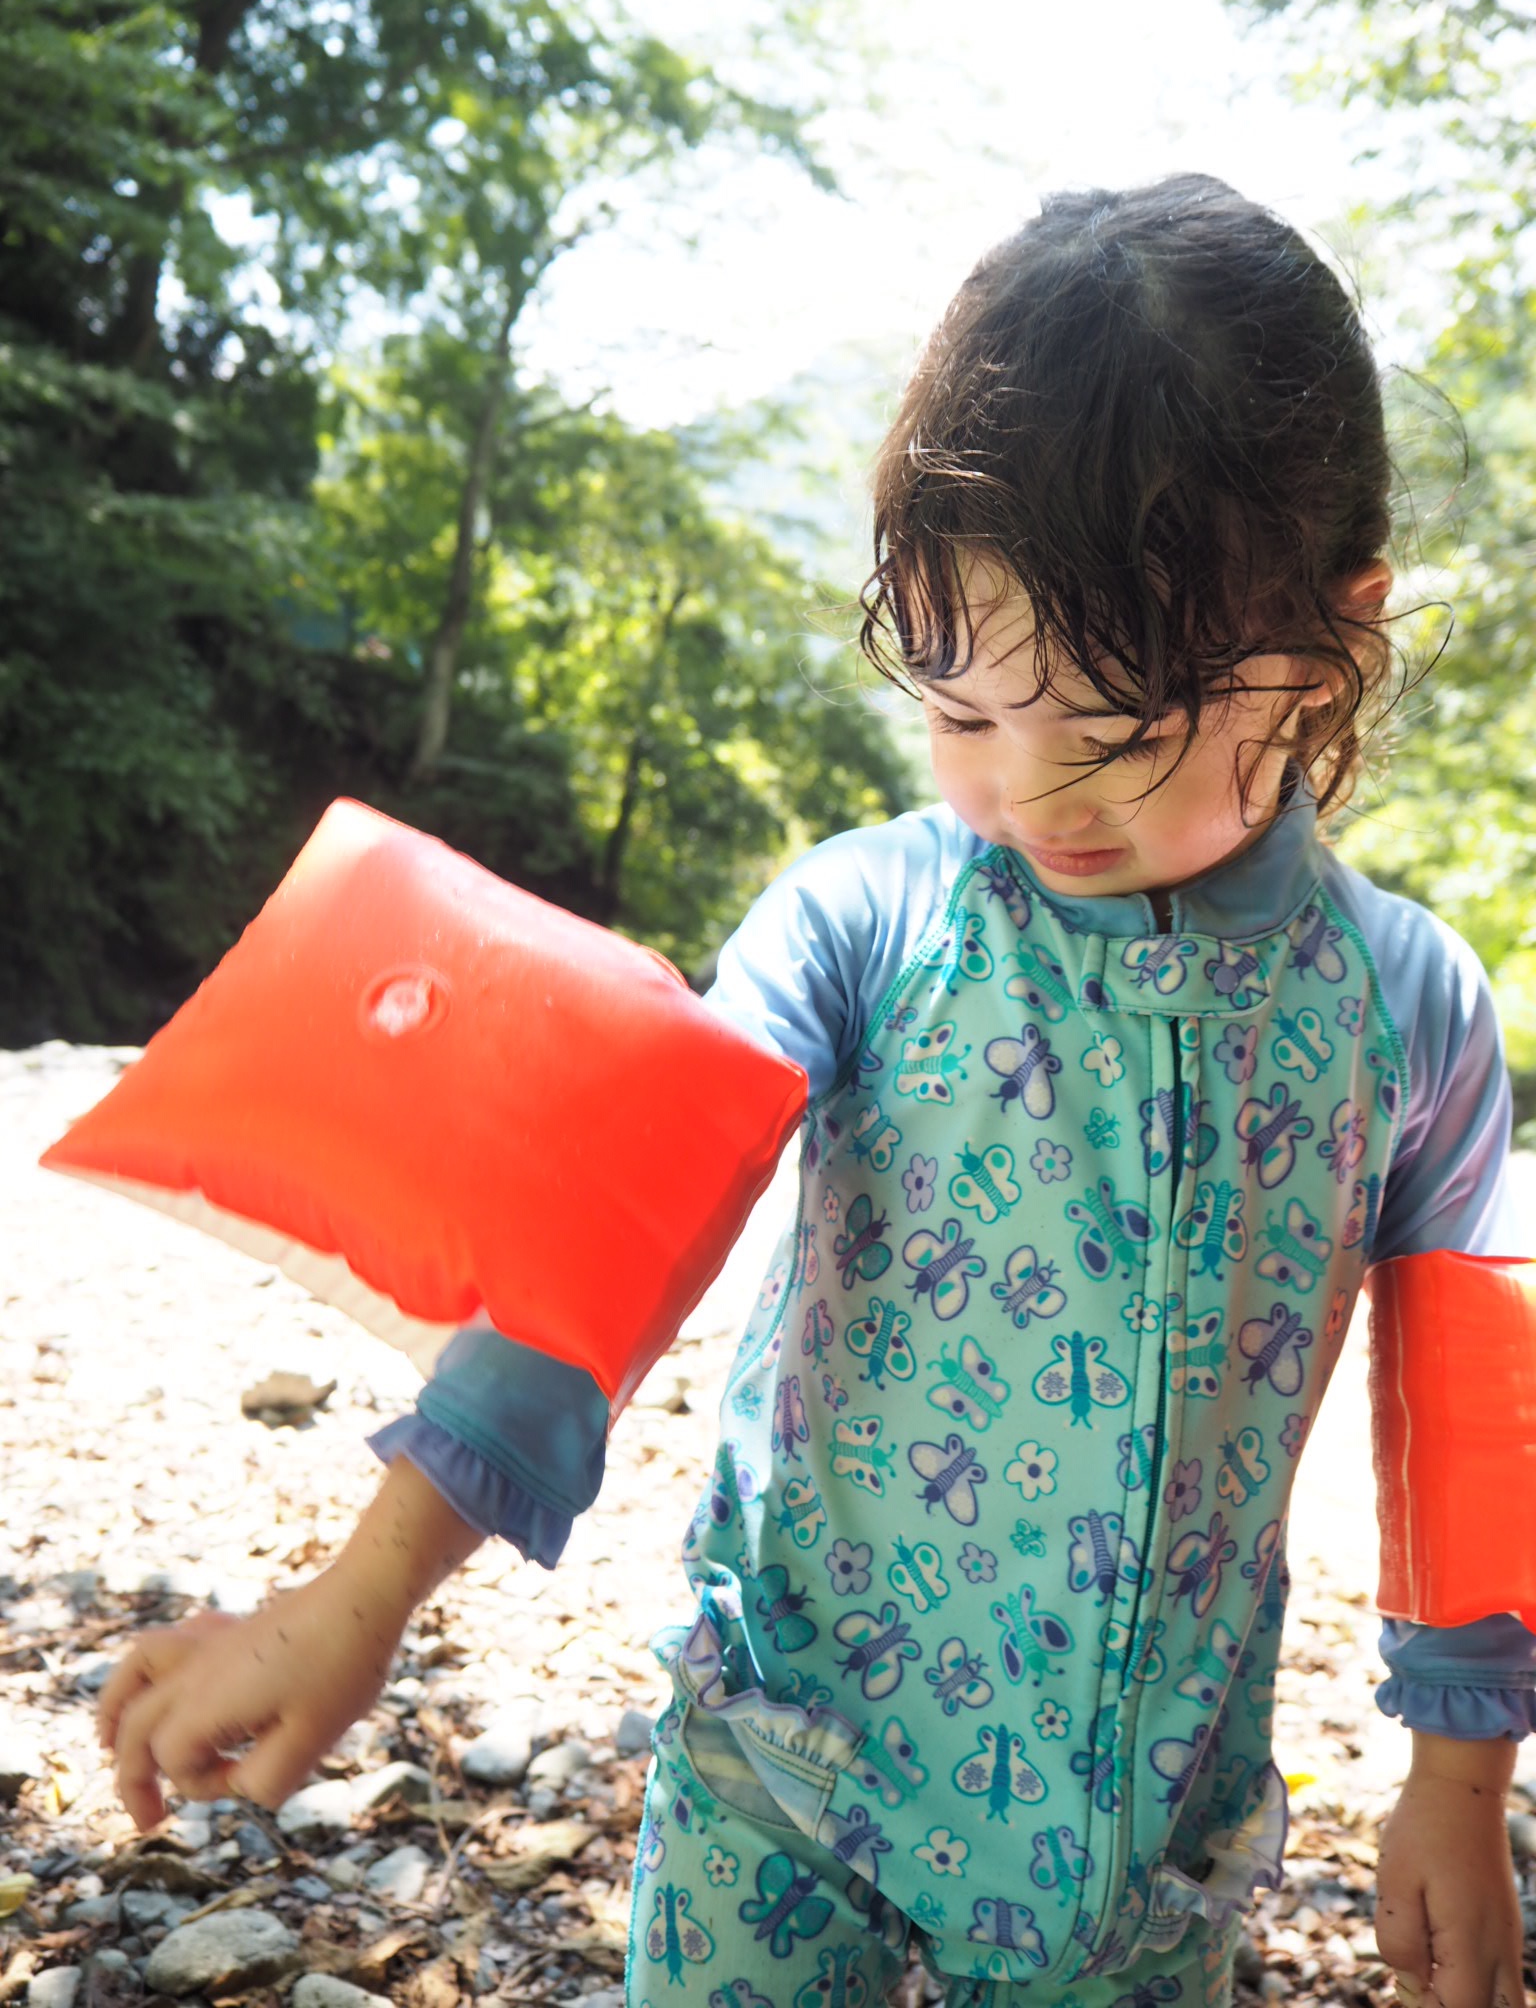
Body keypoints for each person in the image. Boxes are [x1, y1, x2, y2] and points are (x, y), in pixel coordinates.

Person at [97, 177, 1536, 2007]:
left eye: (1105, 735)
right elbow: (614, 1236)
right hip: (786, 1768)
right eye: (954, 705)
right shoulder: (872, 921)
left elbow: (1473, 1409)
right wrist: (355, 1599)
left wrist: (1459, 1782)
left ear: (1331, 638)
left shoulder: (1399, 1008)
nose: (1023, 794)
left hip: (1145, 1847)